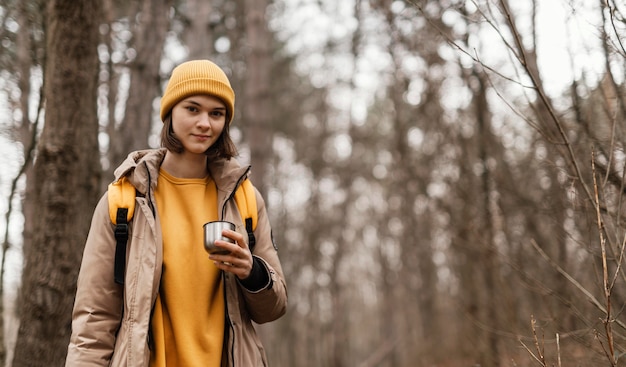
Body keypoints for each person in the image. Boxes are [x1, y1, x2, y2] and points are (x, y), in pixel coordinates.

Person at [65, 59, 288, 366]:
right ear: (169, 112)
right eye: (192, 109)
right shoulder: (124, 200)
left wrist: (252, 272)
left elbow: (273, 307)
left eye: (216, 113)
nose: (205, 123)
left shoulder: (245, 199)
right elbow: (94, 318)